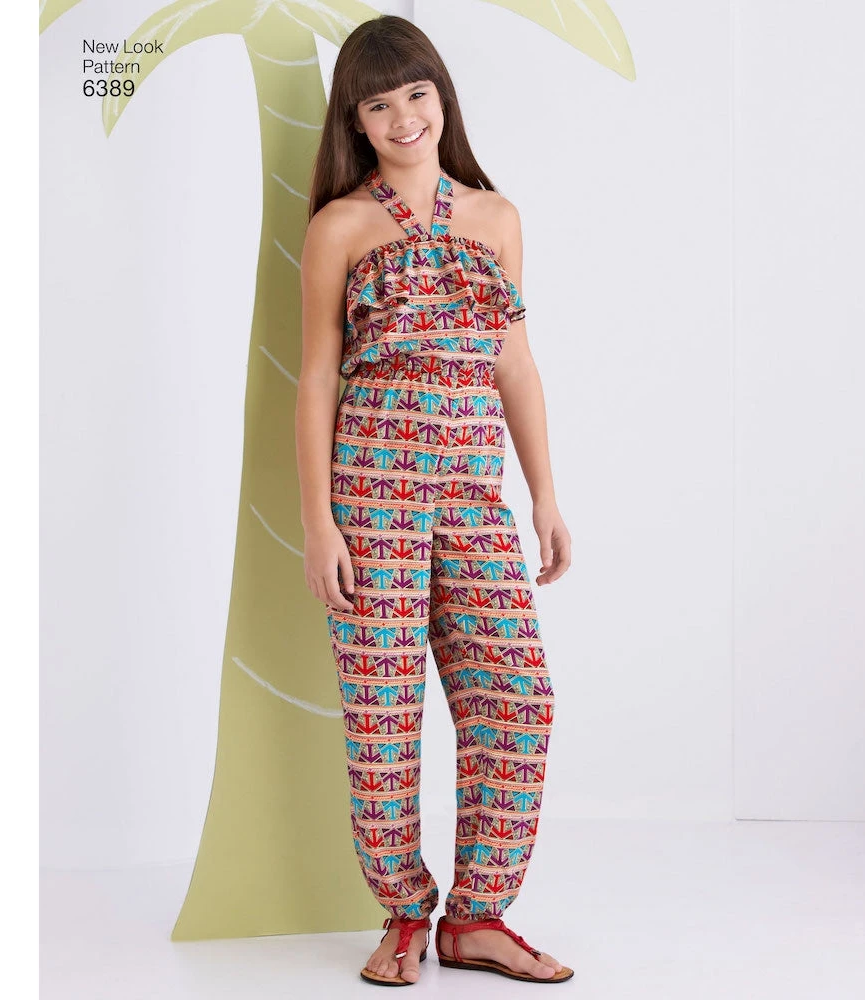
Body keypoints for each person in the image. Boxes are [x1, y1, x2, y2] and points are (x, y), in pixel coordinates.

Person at [296, 14, 574, 987]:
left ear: (442, 97)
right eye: (378, 104)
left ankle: (478, 917)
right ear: (356, 121)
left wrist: (543, 497)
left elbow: (515, 363)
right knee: (383, 713)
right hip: (371, 496)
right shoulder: (339, 227)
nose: (403, 116)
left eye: (416, 93)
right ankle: (405, 912)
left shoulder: (495, 218)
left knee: (517, 695)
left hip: (472, 493)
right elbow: (317, 378)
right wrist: (319, 522)